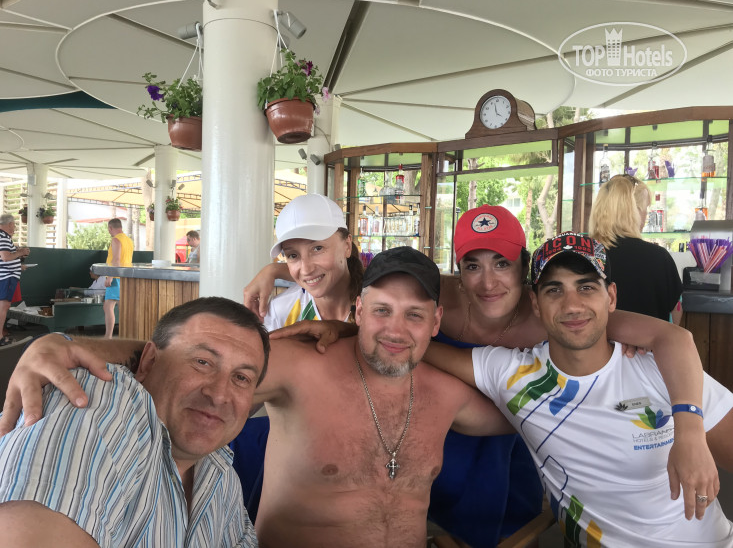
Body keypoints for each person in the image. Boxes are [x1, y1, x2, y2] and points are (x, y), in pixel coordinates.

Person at [0, 247, 720, 545]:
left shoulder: (454, 394)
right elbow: (191, 364)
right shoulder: (300, 364)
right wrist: (60, 347)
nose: (395, 330)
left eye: (413, 315)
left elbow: (565, 406)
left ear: (435, 324)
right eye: (380, 312)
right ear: (355, 312)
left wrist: (643, 369)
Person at [241, 204, 715, 546]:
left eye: (502, 264)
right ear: (458, 276)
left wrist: (687, 430)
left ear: (525, 273)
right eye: (473, 266)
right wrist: (304, 293)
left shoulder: (557, 319)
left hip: (503, 430)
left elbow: (670, 338)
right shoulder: (440, 304)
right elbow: (380, 304)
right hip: (445, 403)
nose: (488, 282)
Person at [423, 233, 733, 546]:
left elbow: (676, 340)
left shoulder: (664, 372)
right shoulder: (513, 375)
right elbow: (419, 350)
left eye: (586, 287)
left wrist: (690, 434)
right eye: (554, 290)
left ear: (611, 297)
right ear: (536, 303)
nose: (572, 305)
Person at [0, 297, 268, 547]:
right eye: (202, 362)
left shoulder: (222, 476)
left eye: (241, 378)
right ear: (149, 361)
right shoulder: (100, 407)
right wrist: (57, 342)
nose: (219, 395)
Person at [248, 193, 363, 331]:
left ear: (347, 246)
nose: (306, 270)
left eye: (317, 248)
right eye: (293, 255)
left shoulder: (376, 303)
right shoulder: (279, 312)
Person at [590, 174, 682, 323]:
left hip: (595, 338)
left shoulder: (583, 255)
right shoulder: (659, 257)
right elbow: (675, 314)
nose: (646, 215)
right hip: (650, 338)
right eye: (645, 209)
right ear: (634, 212)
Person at [0, 214, 30, 346]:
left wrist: (18, 265)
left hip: (5, 276)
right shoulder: (3, 237)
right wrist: (20, 252)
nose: (15, 227)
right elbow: (5, 257)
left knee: (3, 306)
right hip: (6, 277)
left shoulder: (4, 237)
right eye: (14, 224)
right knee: (3, 306)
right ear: (9, 224)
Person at [103, 218, 133, 338]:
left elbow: (116, 260)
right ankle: (125, 335)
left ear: (110, 228)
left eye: (108, 229)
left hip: (116, 277)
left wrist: (110, 277)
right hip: (126, 277)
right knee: (122, 308)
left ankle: (108, 336)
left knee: (108, 307)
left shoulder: (116, 240)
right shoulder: (129, 240)